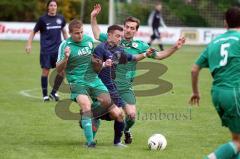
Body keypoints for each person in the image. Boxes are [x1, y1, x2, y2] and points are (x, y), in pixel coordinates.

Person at [91, 4, 185, 144]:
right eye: (127, 27)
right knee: (98, 112)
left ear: (136, 31)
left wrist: (174, 48)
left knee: (132, 115)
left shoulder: (141, 46)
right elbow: (97, 34)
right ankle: (90, 131)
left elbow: (159, 55)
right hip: (106, 85)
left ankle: (126, 131)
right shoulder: (114, 39)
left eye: (132, 28)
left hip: (125, 88)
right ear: (123, 27)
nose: (128, 30)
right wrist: (93, 17)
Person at [56, 19, 125, 148]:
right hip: (77, 82)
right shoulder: (65, 45)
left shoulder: (88, 40)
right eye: (77, 33)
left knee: (117, 113)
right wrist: (66, 58)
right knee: (86, 105)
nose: (80, 35)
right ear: (70, 33)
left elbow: (101, 47)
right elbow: (59, 69)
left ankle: (117, 142)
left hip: (94, 79)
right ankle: (90, 142)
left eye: (82, 32)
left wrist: (104, 63)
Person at [189, 6, 240, 159]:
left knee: (236, 140)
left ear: (225, 23)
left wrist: (196, 92)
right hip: (234, 92)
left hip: (217, 93)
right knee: (238, 142)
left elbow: (194, 69)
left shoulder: (215, 42)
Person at [92, 24, 153, 147]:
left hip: (112, 88)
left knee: (120, 114)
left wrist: (146, 54)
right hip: (99, 88)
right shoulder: (100, 49)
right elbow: (93, 68)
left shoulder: (119, 50)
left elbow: (133, 58)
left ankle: (117, 142)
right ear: (109, 35)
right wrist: (104, 64)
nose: (120, 38)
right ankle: (89, 139)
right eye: (117, 36)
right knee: (99, 114)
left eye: (121, 36)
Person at [25, 0, 68, 102]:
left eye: (55, 5)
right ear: (48, 7)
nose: (53, 7)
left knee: (62, 71)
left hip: (58, 50)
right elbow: (33, 32)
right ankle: (45, 96)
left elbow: (64, 32)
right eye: (51, 5)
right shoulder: (42, 19)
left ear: (57, 7)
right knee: (45, 71)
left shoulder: (61, 18)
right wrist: (29, 44)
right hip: (46, 50)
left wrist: (69, 44)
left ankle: (53, 93)